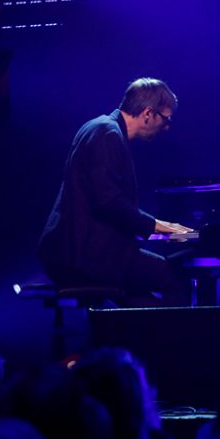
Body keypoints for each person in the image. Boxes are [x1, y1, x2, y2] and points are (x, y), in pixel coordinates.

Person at [39, 78, 192, 303]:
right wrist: (159, 226)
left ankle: (128, 334)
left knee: (143, 299)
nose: (167, 127)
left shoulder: (99, 127)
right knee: (168, 276)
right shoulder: (108, 134)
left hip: (77, 250)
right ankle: (178, 337)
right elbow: (107, 202)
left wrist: (155, 231)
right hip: (82, 256)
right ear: (148, 113)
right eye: (166, 119)